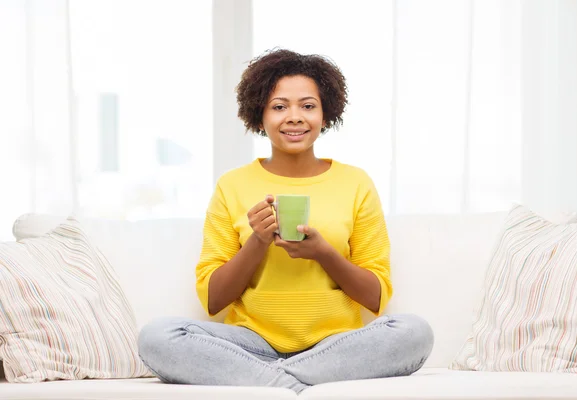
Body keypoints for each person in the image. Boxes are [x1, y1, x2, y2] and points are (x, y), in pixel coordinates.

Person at [138, 49, 434, 393]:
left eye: (308, 106)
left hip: (334, 346)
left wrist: (324, 253)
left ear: (326, 115)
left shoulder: (356, 183)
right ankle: (299, 384)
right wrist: (257, 242)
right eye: (279, 107)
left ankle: (268, 384)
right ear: (259, 115)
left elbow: (376, 297)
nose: (294, 117)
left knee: (414, 332)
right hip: (251, 346)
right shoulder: (232, 185)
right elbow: (213, 301)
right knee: (157, 337)